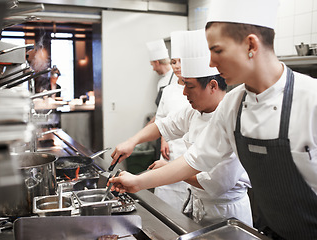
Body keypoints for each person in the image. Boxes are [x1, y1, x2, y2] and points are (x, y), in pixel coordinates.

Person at [110, 0, 317, 238]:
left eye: (217, 50)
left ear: (251, 44)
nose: (211, 63)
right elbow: (194, 160)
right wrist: (138, 182)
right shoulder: (234, 104)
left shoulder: (311, 99)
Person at [111, 29, 252, 225]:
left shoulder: (232, 118)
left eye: (190, 86)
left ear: (212, 86)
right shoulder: (194, 111)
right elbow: (164, 124)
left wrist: (141, 180)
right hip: (199, 207)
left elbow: (216, 184)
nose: (184, 92)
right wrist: (132, 141)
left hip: (228, 214)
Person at [148, 31, 190, 211]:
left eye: (181, 61)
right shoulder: (169, 90)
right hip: (170, 151)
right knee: (166, 207)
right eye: (174, 62)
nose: (177, 66)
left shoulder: (203, 92)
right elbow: (163, 118)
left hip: (188, 155)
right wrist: (164, 139)